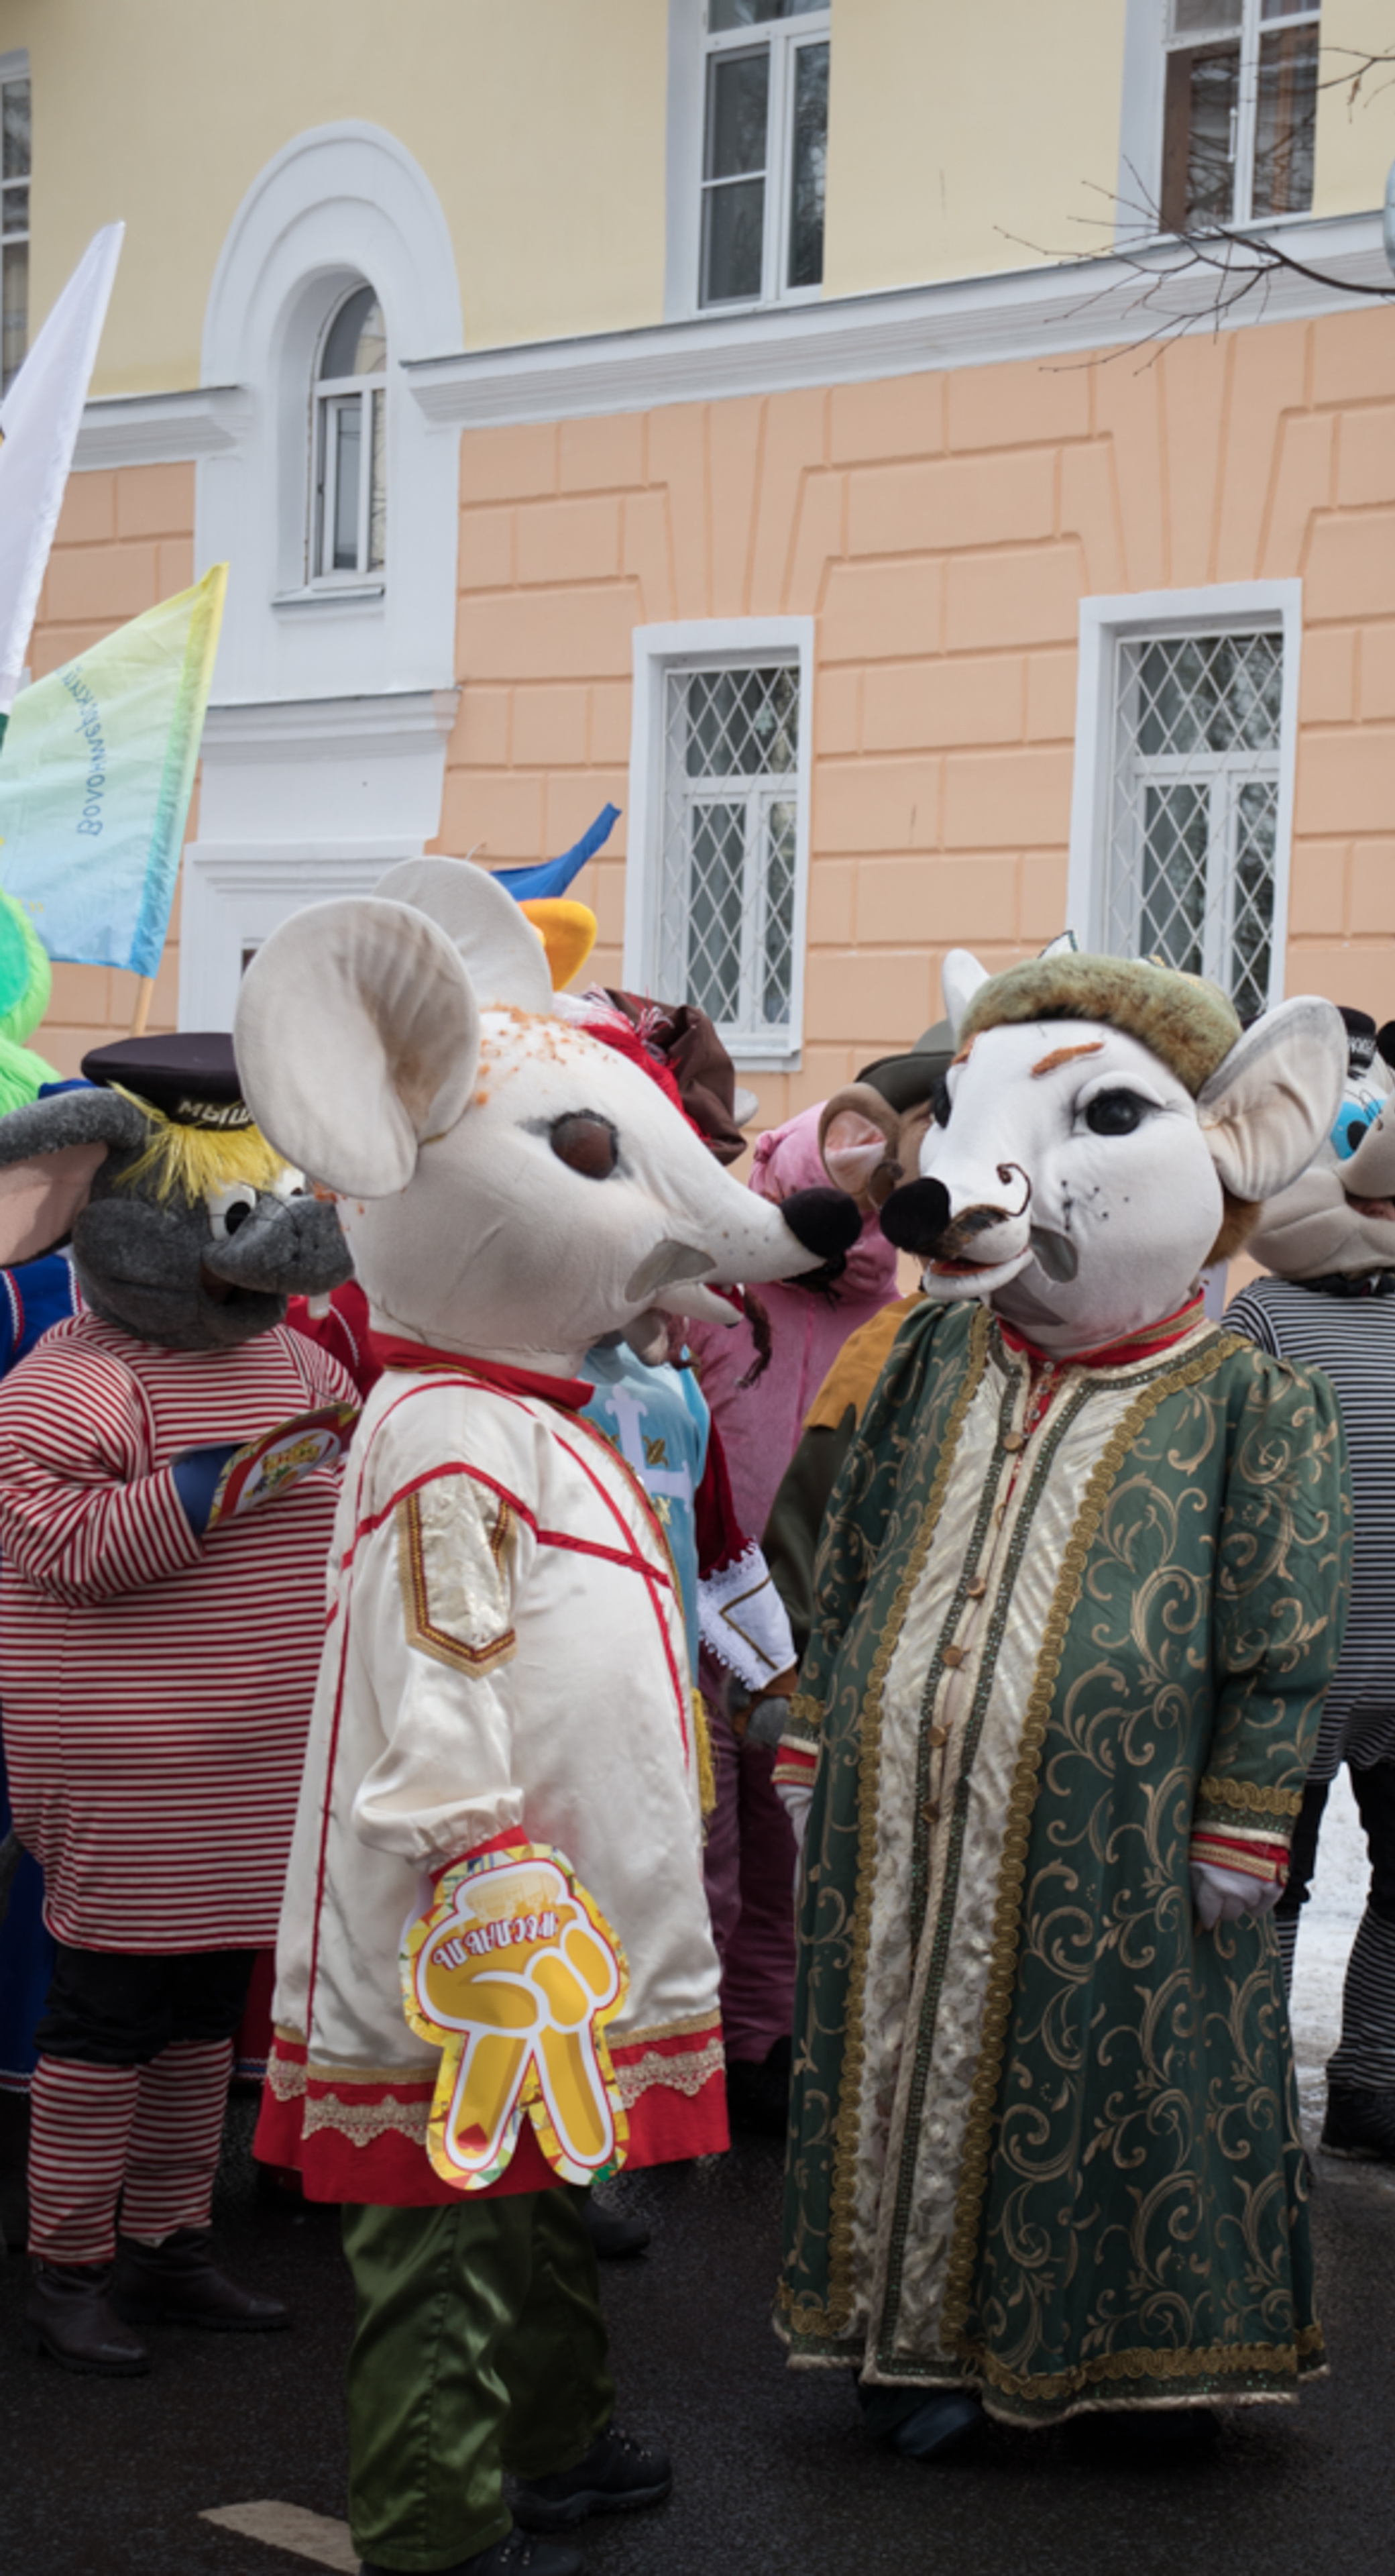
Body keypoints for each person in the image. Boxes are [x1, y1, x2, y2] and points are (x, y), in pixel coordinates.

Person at [237, 859, 854, 2576]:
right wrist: (479, 1853)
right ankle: (432, 2520)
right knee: (443, 2220)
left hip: (558, 1918)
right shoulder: (448, 1432)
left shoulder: (552, 1407)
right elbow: (434, 1671)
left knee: (545, 2191)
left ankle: (559, 2438)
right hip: (480, 1918)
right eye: (598, 1164)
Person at [773, 949, 1351, 2453]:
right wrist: (822, 1713)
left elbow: (1281, 1630)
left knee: (1117, 2080)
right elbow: (859, 1546)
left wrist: (1244, 1813)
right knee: (914, 2057)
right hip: (901, 1828)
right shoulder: (931, 1358)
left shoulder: (1245, 1399)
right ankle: (920, 2345)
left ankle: (1132, 2356)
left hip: (1124, 1841)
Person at [0, 1034, 354, 2373]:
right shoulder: (69, 1382)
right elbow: (66, 1553)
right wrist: (214, 1488)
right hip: (131, 1770)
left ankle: (167, 2241)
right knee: (104, 2019)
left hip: (261, 1765)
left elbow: (344, 1510)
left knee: (208, 2009)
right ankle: (68, 2258)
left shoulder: (303, 1365)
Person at [1225, 1007, 1395, 2170]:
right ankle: (1250, 2086)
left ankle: (1371, 2082)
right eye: (1363, 1184)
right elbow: (1225, 1485)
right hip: (1299, 1678)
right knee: (1272, 1888)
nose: (1386, 1207)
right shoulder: (1264, 1317)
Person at [684, 1099, 899, 2130]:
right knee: (703, 1847)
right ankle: (682, 2055)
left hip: (815, 1624)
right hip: (698, 1614)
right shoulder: (717, 1298)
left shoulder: (888, 1317)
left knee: (790, 1850)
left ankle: (761, 2046)